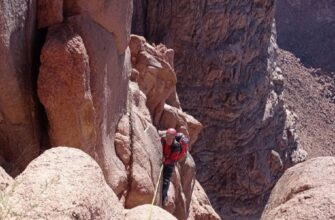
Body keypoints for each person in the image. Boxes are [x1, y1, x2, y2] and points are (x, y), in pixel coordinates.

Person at [160, 127, 189, 205]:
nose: (168, 139)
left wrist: (165, 161)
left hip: (170, 162)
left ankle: (164, 197)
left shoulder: (176, 147)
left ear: (173, 139)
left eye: (171, 138)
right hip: (164, 157)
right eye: (167, 137)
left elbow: (173, 160)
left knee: (166, 181)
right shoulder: (163, 140)